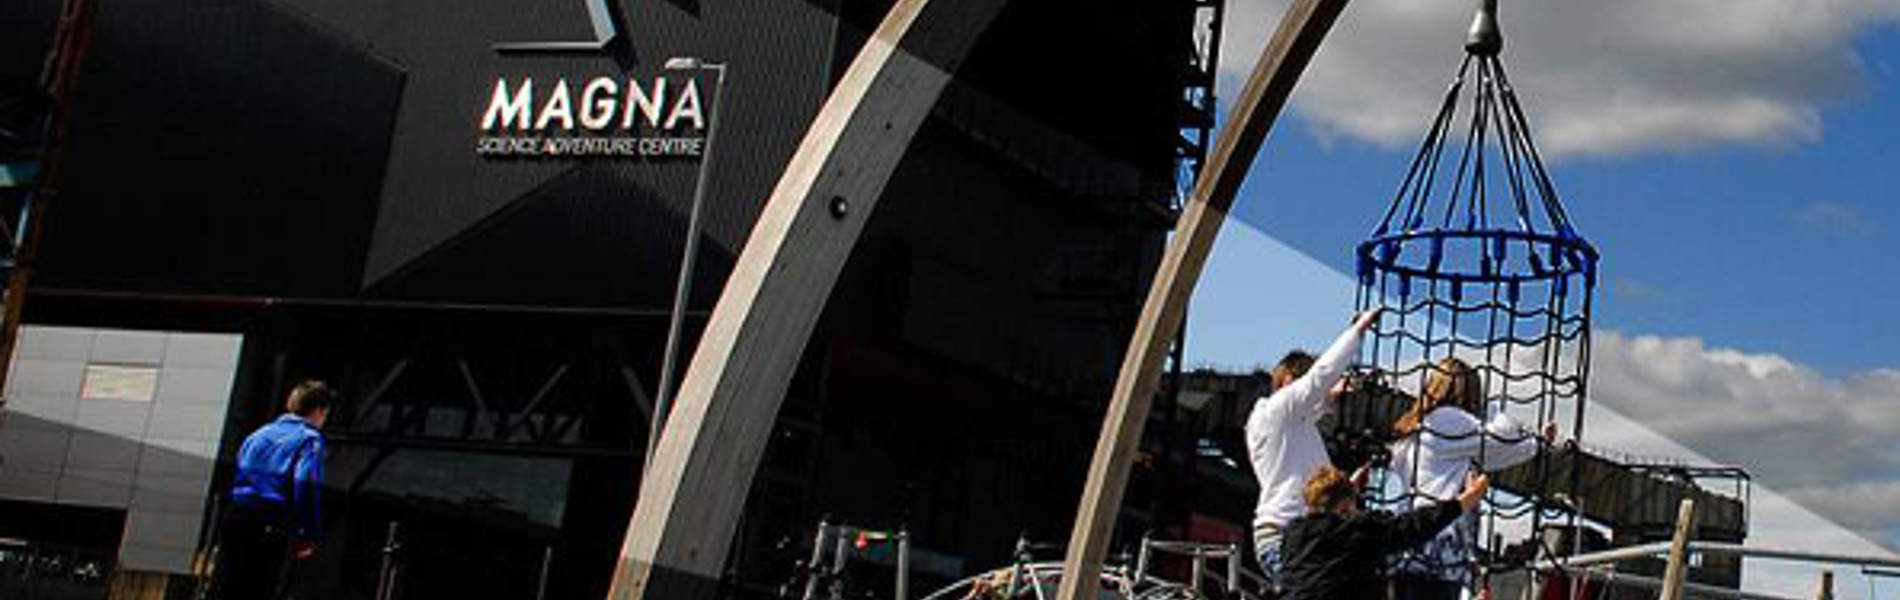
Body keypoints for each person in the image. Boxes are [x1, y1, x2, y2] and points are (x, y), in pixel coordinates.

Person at [1387, 357, 1557, 600]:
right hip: (1439, 544)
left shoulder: (1418, 426)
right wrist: (1490, 405)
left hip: (1409, 538)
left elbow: (1494, 454)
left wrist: (1537, 445)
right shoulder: (1448, 419)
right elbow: (1504, 434)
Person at [1246, 308, 1382, 587]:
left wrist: (1348, 489)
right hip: (1287, 537)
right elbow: (1320, 376)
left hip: (1294, 536)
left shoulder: (1294, 428)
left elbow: (1306, 488)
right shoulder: (1279, 410)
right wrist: (1358, 330)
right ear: (1287, 382)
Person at [1278, 465, 1489, 600]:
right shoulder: (1358, 528)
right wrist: (1467, 499)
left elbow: (1331, 531)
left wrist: (1347, 490)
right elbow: (1413, 525)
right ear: (1345, 506)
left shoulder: (1292, 536)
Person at [214, 380, 334, 600]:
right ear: (319, 411)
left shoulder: (258, 434)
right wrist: (308, 534)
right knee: (258, 587)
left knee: (227, 586)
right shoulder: (310, 440)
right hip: (269, 523)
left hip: (236, 516)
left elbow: (238, 472)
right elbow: (305, 485)